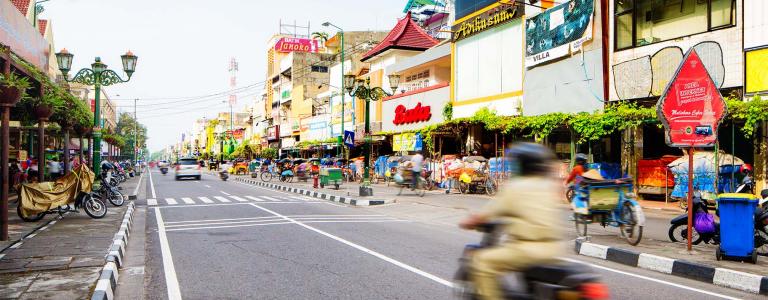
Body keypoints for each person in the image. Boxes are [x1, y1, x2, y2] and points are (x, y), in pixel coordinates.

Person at [459, 143, 563, 300]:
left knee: (482, 262)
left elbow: (487, 214)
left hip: (525, 249)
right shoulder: (548, 185)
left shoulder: (516, 187)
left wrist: (468, 222)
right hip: (553, 248)